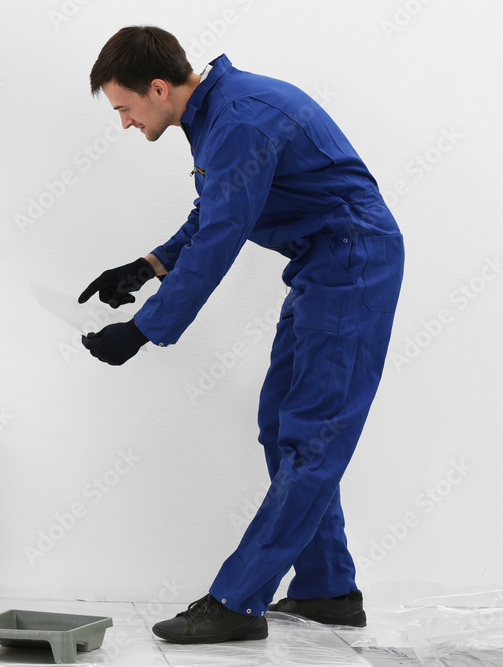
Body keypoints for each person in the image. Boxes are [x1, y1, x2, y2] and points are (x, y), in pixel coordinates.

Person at [79, 26, 404, 643]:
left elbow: (223, 238)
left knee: (311, 437)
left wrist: (143, 330)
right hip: (323, 263)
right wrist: (145, 267)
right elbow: (216, 209)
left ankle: (236, 600)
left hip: (353, 262)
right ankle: (327, 588)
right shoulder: (218, 113)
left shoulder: (241, 119)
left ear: (157, 87)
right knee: (280, 422)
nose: (123, 123)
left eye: (124, 108)